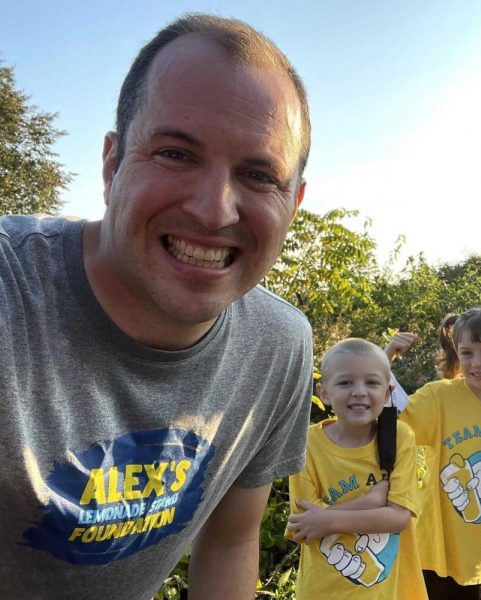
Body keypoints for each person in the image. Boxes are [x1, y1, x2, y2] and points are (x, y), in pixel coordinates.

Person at [0, 14, 314, 599]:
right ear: (112, 164)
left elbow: (230, 540)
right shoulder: (12, 295)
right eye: (175, 154)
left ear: (292, 203)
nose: (214, 210)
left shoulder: (279, 345)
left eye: (257, 174)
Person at [385, 308, 481, 600]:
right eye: (467, 352)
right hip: (429, 544)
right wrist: (385, 362)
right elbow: (393, 412)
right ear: (457, 353)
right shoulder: (440, 396)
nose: (478, 362)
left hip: (472, 547)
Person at [285, 338, 427, 599]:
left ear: (387, 393)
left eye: (371, 382)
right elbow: (304, 527)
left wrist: (326, 519)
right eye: (345, 382)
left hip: (388, 592)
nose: (360, 391)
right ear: (324, 392)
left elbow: (399, 518)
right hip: (324, 591)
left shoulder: (398, 437)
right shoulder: (307, 445)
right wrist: (372, 501)